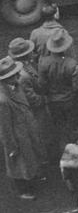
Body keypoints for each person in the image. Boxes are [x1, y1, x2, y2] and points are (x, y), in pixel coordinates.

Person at [0, 56, 45, 200]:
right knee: (18, 164)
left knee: (29, 159)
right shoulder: (3, 100)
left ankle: (31, 179)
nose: (18, 75)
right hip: (17, 136)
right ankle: (23, 191)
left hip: (27, 129)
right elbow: (4, 128)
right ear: (6, 79)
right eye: (14, 74)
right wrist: (11, 146)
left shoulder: (16, 86)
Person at [9, 37, 57, 161]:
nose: (33, 52)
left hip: (37, 106)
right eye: (30, 51)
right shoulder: (23, 76)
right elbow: (31, 99)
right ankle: (45, 158)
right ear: (25, 54)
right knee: (41, 133)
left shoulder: (24, 66)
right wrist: (46, 99)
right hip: (35, 111)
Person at [38, 28, 78, 146]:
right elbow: (77, 86)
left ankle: (62, 148)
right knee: (72, 126)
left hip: (53, 101)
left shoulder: (43, 63)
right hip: (69, 100)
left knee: (59, 127)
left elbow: (42, 84)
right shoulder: (72, 64)